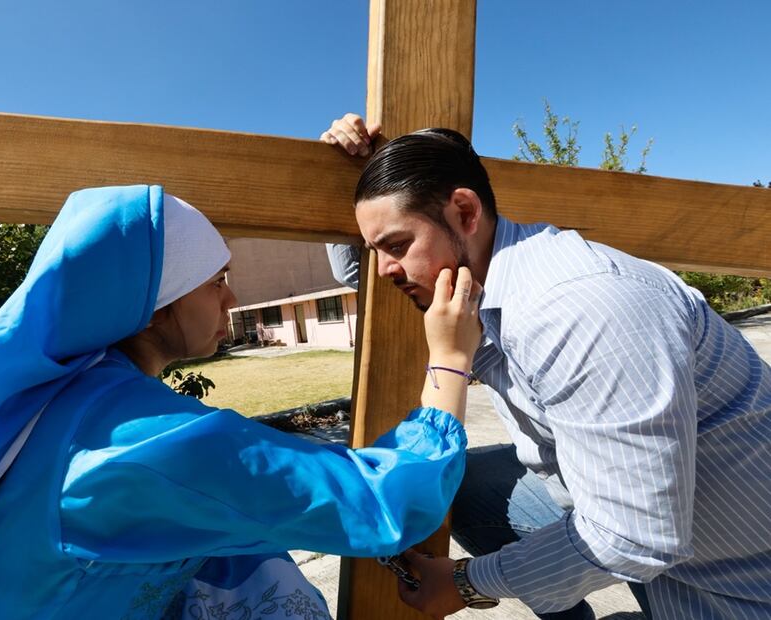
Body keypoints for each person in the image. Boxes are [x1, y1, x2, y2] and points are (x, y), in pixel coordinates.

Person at [0, 185, 482, 619]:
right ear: (152, 305)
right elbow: (390, 503)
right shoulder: (150, 444)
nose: (229, 300)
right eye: (215, 281)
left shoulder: (67, 402)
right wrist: (450, 355)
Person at [321, 114, 771, 619]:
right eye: (377, 250)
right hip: (662, 527)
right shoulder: (495, 266)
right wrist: (343, 167)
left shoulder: (579, 309)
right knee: (466, 484)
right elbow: (361, 270)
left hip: (732, 583)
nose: (384, 270)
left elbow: (636, 535)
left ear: (465, 211)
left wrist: (467, 583)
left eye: (397, 246)